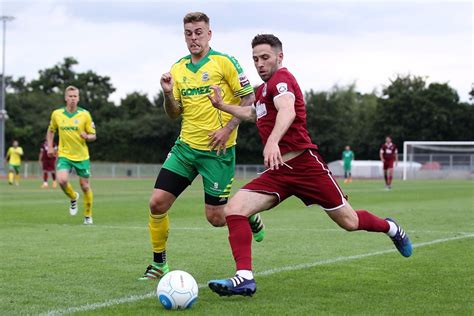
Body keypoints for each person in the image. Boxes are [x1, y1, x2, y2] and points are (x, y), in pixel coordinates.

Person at [206, 34, 412, 297]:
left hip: (306, 166)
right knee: (234, 209)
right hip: (279, 171)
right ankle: (245, 278)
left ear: (280, 57)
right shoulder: (262, 91)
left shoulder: (283, 79)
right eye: (255, 59)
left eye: (265, 57)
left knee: (349, 222)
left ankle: (392, 228)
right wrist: (223, 105)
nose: (259, 63)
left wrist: (272, 142)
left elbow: (288, 110)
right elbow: (251, 113)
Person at [139, 12, 265, 281]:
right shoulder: (177, 69)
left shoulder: (225, 62)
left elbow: (249, 101)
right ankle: (159, 263)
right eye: (188, 33)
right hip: (185, 149)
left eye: (198, 32)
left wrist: (227, 129)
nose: (193, 38)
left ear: (209, 34)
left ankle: (249, 214)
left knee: (217, 218)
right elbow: (173, 113)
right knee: (157, 203)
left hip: (217, 153)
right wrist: (166, 93)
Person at [46, 85, 96, 224]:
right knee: (61, 180)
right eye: (70, 96)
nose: (73, 99)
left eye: (75, 96)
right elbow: (51, 130)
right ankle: (73, 197)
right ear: (65, 98)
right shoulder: (57, 114)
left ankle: (88, 215)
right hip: (64, 154)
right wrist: (49, 146)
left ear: (78, 98)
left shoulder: (85, 114)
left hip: (82, 156)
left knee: (85, 186)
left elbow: (94, 135)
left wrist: (87, 136)